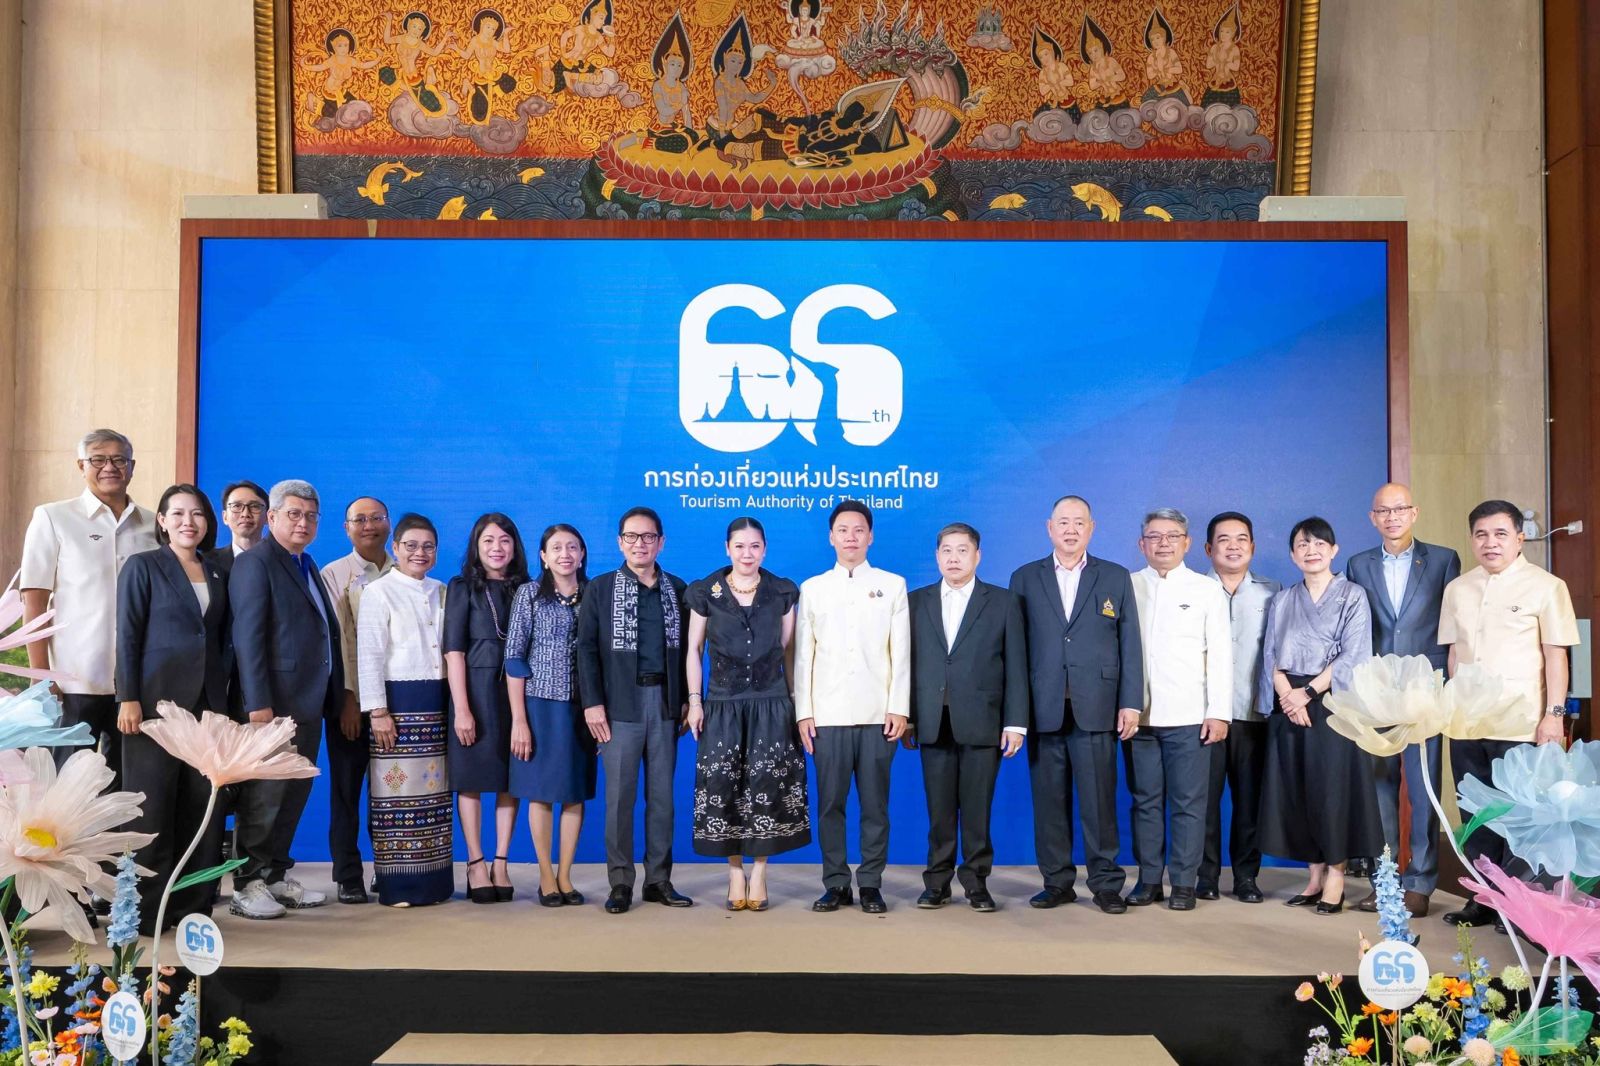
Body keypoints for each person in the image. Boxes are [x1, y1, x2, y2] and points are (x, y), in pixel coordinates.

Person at [1439, 499, 1580, 931]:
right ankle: (1483, 899)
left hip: (1522, 722)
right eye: (1481, 534)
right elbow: (1454, 654)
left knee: (1521, 816)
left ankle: (1518, 907)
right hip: (1466, 722)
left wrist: (1553, 715)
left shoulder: (1547, 586)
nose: (1491, 542)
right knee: (1476, 815)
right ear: (1471, 540)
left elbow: (1555, 657)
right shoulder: (1457, 589)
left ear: (1520, 537)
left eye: (1501, 533)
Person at [1008, 495, 1142, 915]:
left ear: (1091, 528)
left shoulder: (1115, 576)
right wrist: (1016, 715)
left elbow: (1130, 644)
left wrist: (1131, 703)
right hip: (1043, 707)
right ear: (1049, 527)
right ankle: (1057, 882)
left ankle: (1106, 884)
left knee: (1099, 803)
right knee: (1049, 804)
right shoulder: (1024, 578)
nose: (1071, 530)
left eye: (1079, 522)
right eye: (1063, 522)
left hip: (1097, 706)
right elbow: (1015, 650)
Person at [115, 484, 231, 935]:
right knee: (153, 809)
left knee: (202, 809)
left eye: (197, 513)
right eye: (178, 513)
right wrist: (128, 696)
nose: (188, 522)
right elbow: (128, 634)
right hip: (152, 706)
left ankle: (194, 908)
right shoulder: (142, 566)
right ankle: (148, 912)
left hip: (207, 706)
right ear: (161, 521)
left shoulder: (217, 570)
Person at [1343, 483, 1460, 918]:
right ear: (1372, 518)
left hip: (1425, 687)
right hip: (1377, 689)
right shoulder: (1358, 564)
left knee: (1424, 787)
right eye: (1383, 511)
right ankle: (1386, 882)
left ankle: (1421, 883)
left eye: (1399, 509)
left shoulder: (1444, 560)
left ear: (1414, 513)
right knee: (1380, 789)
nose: (1391, 517)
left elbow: (1452, 626)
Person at [20, 428, 158, 795]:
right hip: (73, 680)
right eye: (98, 459)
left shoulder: (153, 524)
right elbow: (34, 598)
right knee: (64, 787)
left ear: (132, 467)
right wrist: (41, 675)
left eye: (119, 459)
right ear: (81, 466)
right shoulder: (53, 517)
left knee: (125, 790)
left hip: (136, 685)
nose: (109, 467)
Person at [1258, 517, 1382, 915]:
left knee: (1333, 790)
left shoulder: (1352, 596)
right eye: (1302, 544)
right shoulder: (1282, 600)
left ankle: (1336, 876)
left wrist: (1308, 693)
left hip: (1331, 701)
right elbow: (1270, 654)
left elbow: (1354, 653)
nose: (1311, 551)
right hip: (1289, 704)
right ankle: (1313, 876)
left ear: (1334, 550)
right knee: (1299, 788)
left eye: (1319, 544)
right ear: (1293, 554)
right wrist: (1288, 697)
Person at [228, 479, 340, 920]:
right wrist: (258, 705)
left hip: (308, 702)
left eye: (311, 516)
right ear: (272, 517)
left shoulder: (306, 563)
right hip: (271, 707)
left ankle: (275, 876)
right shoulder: (256, 563)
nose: (303, 522)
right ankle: (248, 884)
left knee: (293, 794)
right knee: (265, 797)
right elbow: (248, 638)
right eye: (293, 514)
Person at [684, 517, 809, 911]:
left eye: (755, 546)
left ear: (765, 549)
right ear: (727, 549)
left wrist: (796, 703)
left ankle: (760, 872)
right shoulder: (705, 592)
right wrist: (695, 701)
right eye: (739, 546)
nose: (747, 553)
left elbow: (788, 650)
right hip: (722, 703)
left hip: (771, 702)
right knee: (724, 786)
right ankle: (735, 872)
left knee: (766, 786)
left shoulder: (782, 591)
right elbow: (694, 650)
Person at [575, 507, 693, 915]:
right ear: (619, 542)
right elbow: (586, 649)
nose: (639, 544)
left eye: (648, 537)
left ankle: (658, 880)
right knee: (619, 799)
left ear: (661, 542)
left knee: (662, 799)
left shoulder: (678, 589)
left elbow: (690, 651)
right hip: (618, 705)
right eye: (631, 536)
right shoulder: (601, 588)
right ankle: (621, 882)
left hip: (664, 703)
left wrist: (686, 698)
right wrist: (592, 703)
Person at [794, 501, 909, 914]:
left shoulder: (892, 585)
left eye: (859, 530)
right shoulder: (813, 588)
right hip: (827, 716)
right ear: (831, 537)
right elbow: (803, 655)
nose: (851, 537)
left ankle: (872, 883)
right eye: (843, 530)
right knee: (831, 805)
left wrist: (899, 707)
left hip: (879, 715)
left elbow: (901, 652)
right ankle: (836, 883)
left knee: (876, 806)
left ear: (870, 536)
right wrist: (804, 712)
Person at [907, 522, 1027, 913]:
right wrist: (908, 718)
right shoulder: (915, 602)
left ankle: (976, 883)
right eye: (947, 550)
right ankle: (936, 883)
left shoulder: (1003, 602)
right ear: (937, 556)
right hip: (932, 720)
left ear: (978, 556)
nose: (954, 558)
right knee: (939, 811)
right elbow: (906, 665)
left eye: (962, 550)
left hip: (983, 721)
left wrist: (1015, 723)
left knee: (977, 810)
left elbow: (1017, 666)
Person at [1124, 508, 1232, 912]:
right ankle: (1149, 879)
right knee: (1145, 801)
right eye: (1154, 536)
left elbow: (1220, 655)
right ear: (1142, 544)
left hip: (1190, 716)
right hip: (1138, 717)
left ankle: (1184, 882)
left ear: (1187, 543)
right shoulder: (1127, 585)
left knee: (1188, 804)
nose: (1163, 543)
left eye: (1172, 536)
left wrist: (1218, 712)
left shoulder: (1206, 590)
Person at [358, 513, 453, 908]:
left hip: (437, 701)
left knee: (434, 796)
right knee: (395, 796)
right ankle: (399, 886)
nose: (419, 552)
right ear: (395, 548)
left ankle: (435, 883)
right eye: (411, 545)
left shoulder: (442, 590)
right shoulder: (379, 592)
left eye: (428, 546)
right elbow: (369, 654)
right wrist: (378, 711)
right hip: (397, 702)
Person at [505, 524, 596, 907]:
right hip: (539, 705)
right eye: (556, 548)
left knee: (574, 793)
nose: (565, 554)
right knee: (541, 794)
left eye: (572, 547)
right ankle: (545, 875)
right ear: (543, 556)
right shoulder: (528, 594)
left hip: (583, 706)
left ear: (582, 554)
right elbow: (514, 657)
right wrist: (519, 720)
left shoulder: (594, 593)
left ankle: (565, 876)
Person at [445, 513, 529, 904]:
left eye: (505, 540)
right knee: (472, 777)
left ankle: (501, 861)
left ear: (515, 546)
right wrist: (462, 708)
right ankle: (475, 861)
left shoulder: (528, 588)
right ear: (476, 547)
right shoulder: (462, 587)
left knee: (512, 777)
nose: (497, 548)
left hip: (518, 691)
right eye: (488, 541)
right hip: (475, 691)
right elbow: (454, 652)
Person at [1199, 511, 1280, 903]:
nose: (1233, 546)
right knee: (1203, 801)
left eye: (1241, 539)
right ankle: (1205, 876)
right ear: (1208, 548)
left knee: (1250, 802)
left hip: (1253, 714)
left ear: (1253, 546)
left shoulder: (1273, 592)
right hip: (1204, 714)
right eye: (1224, 539)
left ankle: (1246, 877)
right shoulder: (1194, 590)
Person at [319, 497, 394, 905]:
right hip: (352, 701)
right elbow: (340, 639)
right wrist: (349, 698)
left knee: (391, 791)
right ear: (346, 528)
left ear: (389, 523)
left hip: (396, 703)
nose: (369, 526)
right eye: (359, 520)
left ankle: (389, 866)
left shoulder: (403, 570)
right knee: (347, 791)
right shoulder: (334, 574)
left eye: (376, 518)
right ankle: (348, 874)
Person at [207, 480, 268, 577]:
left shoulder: (282, 562)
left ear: (268, 516)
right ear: (225, 517)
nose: (245, 514)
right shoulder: (207, 562)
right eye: (237, 506)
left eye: (254, 506)